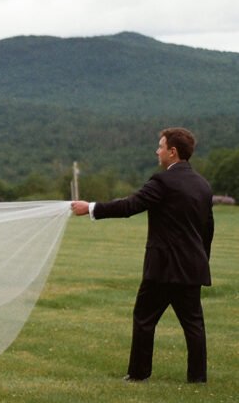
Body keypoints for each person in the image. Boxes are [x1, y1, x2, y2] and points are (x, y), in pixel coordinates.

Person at [71, 128, 214, 383]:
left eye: (160, 146)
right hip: (192, 267)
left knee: (144, 319)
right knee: (194, 324)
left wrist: (90, 208)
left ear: (173, 152)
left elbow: (130, 206)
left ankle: (138, 374)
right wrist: (200, 261)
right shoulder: (203, 185)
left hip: (162, 268)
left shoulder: (162, 182)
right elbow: (207, 229)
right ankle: (198, 377)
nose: (157, 151)